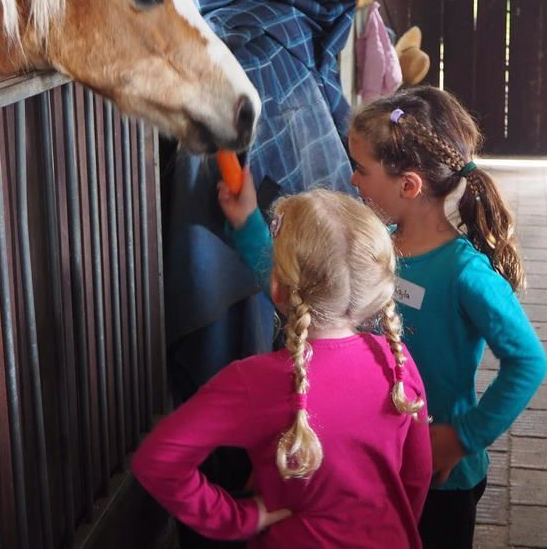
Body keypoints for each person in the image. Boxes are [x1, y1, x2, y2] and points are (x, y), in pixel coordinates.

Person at [219, 86, 547, 549]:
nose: (352, 182)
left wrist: (461, 438)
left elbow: (528, 362)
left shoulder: (465, 273)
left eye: (361, 170)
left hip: (440, 482)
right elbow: (299, 294)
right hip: (369, 463)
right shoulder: (373, 244)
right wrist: (247, 221)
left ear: (409, 185)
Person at [132, 190, 432, 547]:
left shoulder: (253, 381)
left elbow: (158, 459)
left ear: (276, 289)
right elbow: (417, 474)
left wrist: (239, 518)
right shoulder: (396, 362)